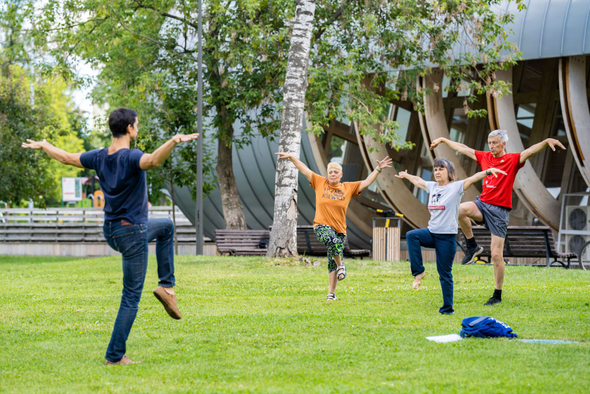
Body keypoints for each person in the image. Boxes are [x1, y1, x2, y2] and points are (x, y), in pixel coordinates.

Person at [22, 108, 199, 365]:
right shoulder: (131, 156)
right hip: (133, 231)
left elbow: (67, 158)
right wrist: (172, 141)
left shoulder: (99, 156)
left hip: (113, 231)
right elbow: (152, 161)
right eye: (136, 124)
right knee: (130, 297)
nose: (137, 128)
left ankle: (167, 286)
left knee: (166, 226)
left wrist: (46, 145)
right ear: (129, 128)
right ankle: (115, 357)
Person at [430, 130, 566, 305]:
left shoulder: (512, 160)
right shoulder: (485, 157)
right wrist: (442, 139)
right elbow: (463, 148)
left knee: (496, 255)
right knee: (459, 210)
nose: (491, 146)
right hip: (482, 204)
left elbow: (530, 151)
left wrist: (546, 141)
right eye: (490, 142)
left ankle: (497, 295)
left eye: (495, 143)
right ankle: (472, 246)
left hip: (500, 212)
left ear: (503, 144)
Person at [276, 152, 392, 300]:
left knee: (332, 259)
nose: (332, 174)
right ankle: (341, 265)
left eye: (335, 172)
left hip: (340, 230)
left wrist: (378, 169)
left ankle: (332, 293)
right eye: (330, 172)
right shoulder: (320, 182)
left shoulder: (348, 188)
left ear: (341, 175)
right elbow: (304, 169)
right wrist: (292, 158)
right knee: (331, 240)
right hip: (321, 225)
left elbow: (366, 182)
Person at [396, 159, 506, 314]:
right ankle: (419, 272)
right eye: (435, 169)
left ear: (449, 172)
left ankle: (447, 308)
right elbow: (418, 181)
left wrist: (487, 172)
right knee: (412, 235)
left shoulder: (455, 187)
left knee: (444, 274)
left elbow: (471, 179)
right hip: (432, 232)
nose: (437, 172)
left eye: (441, 169)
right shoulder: (432, 186)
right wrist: (407, 176)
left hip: (447, 238)